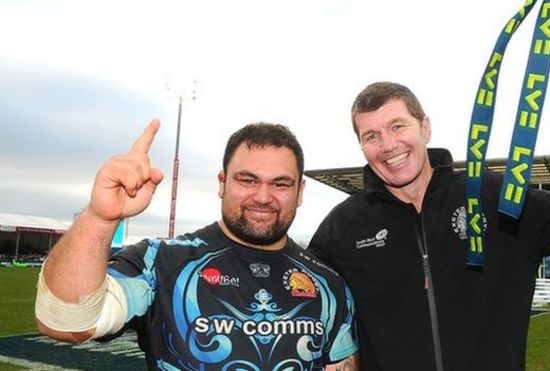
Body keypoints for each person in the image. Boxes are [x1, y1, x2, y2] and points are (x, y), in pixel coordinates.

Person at [308, 81, 550, 370]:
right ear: (362, 147)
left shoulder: (494, 198)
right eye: (371, 136)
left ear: (425, 127)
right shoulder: (343, 229)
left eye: (397, 126)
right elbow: (297, 300)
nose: (388, 145)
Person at [35, 121, 359, 370]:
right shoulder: (160, 261)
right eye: (247, 180)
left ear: (300, 192)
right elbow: (66, 321)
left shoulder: (327, 283)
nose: (263, 196)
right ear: (222, 183)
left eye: (280, 184)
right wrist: (101, 218)